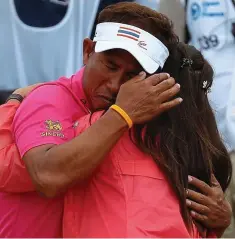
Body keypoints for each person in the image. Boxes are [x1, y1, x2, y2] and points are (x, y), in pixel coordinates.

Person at [0, 2, 232, 237]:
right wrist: (122, 114)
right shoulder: (51, 99)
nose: (114, 85)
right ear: (88, 51)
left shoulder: (142, 118)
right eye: (110, 65)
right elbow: (47, 176)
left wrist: (218, 220)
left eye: (131, 75)